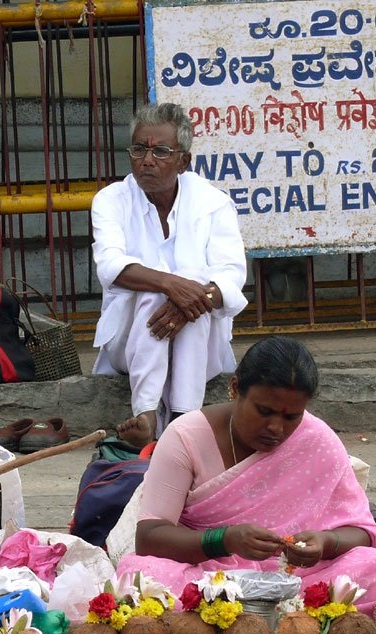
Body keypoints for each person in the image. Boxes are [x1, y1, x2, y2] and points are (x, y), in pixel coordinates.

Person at [115, 336, 376, 613]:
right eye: (264, 411)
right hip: (211, 578)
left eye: (291, 417)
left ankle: (263, 619)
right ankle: (284, 618)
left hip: (297, 579)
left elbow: (361, 532)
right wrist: (224, 540)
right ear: (235, 388)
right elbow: (150, 537)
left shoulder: (317, 439)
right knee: (142, 573)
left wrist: (324, 543)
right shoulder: (185, 437)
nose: (276, 428)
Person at [90, 102, 248, 448]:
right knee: (162, 286)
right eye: (139, 150)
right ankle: (152, 414)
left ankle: (178, 417)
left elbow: (232, 277)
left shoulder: (212, 202)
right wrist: (171, 286)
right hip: (128, 345)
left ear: (183, 161)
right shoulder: (111, 199)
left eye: (160, 151)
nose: (147, 160)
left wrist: (188, 299)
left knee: (194, 284)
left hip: (200, 345)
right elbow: (110, 266)